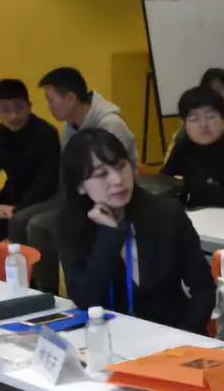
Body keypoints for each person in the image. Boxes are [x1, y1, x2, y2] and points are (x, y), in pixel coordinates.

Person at [56, 128, 215, 334]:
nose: (117, 180)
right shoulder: (71, 225)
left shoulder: (166, 213)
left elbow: (203, 287)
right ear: (80, 186)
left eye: (121, 166)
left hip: (174, 334)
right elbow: (86, 299)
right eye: (102, 174)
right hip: (111, 338)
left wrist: (186, 334)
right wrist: (109, 235)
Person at [11, 67, 139, 294]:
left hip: (107, 197)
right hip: (78, 194)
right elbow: (68, 173)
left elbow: (119, 174)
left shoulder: (111, 124)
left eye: (50, 99)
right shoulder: (68, 128)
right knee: (19, 219)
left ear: (70, 99)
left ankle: (48, 291)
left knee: (39, 225)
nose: (48, 105)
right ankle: (27, 288)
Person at [0, 79, 60, 274]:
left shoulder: (46, 133)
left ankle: (2, 280)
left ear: (29, 106)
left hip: (40, 201)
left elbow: (47, 179)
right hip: (9, 197)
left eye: (19, 108)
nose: (13, 115)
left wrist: (18, 208)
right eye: (5, 109)